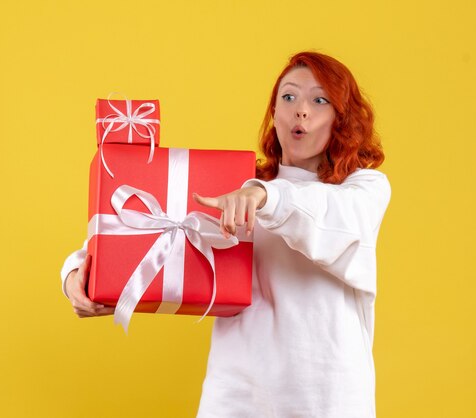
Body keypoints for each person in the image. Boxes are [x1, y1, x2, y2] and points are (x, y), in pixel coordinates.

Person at [61, 51, 391, 417]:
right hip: (236, 393)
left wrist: (264, 195)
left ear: (340, 118)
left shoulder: (365, 188)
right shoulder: (234, 187)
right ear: (275, 114)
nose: (301, 110)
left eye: (320, 99)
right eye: (289, 96)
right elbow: (159, 229)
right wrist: (78, 275)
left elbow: (329, 215)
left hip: (327, 396)